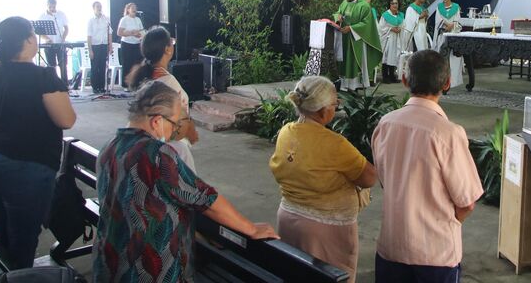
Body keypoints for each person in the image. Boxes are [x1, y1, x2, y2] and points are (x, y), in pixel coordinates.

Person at [93, 81, 277, 282]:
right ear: (156, 121)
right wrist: (251, 228)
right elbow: (205, 199)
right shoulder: (156, 155)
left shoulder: (109, 147)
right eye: (174, 124)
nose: (174, 131)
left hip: (109, 264)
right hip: (148, 271)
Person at [371, 50, 483, 282]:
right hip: (435, 255)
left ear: (404, 80)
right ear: (447, 83)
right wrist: (438, 226)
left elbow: (385, 180)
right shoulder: (448, 134)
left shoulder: (385, 124)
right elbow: (467, 203)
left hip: (391, 247)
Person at [0, 17, 76, 268]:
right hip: (29, 166)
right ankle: (20, 275)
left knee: (1, 228)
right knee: (24, 238)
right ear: (28, 39)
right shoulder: (44, 76)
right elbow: (66, 119)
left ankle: (2, 273)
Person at [269, 76, 377, 281]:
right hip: (325, 228)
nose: (336, 107)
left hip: (289, 218)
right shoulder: (334, 143)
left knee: (295, 274)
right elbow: (369, 178)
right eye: (335, 103)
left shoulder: (286, 132)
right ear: (323, 111)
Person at [127, 26, 198, 172]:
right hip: (163, 148)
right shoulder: (167, 82)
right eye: (171, 42)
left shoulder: (145, 77)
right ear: (167, 50)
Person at [333, 0, 382, 91]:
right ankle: (344, 85)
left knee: (354, 62)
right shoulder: (345, 2)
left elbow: (367, 23)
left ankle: (355, 86)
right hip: (344, 39)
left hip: (357, 39)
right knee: (344, 61)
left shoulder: (364, 5)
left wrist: (351, 28)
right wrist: (338, 17)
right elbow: (337, 12)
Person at [433, 0, 464, 89]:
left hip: (453, 35)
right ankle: (441, 81)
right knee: (442, 59)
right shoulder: (439, 7)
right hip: (443, 34)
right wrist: (447, 25)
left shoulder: (456, 7)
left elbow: (458, 20)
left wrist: (452, 26)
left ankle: (453, 81)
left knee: (453, 59)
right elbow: (438, 20)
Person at [38, 0, 69, 87]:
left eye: (54, 7)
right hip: (49, 44)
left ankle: (65, 85)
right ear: (47, 6)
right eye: (50, 7)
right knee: (51, 66)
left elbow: (66, 28)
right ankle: (53, 85)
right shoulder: (42, 16)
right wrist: (46, 38)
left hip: (60, 43)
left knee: (63, 65)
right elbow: (39, 32)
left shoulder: (61, 14)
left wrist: (63, 38)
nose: (52, 9)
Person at [378, 0, 406, 84]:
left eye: (396, 3)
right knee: (386, 57)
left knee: (394, 56)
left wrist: (400, 29)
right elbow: (381, 28)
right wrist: (391, 29)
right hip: (388, 38)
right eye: (392, 3)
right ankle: (385, 76)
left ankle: (392, 75)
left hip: (397, 38)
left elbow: (404, 25)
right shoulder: (385, 15)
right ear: (389, 5)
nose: (394, 5)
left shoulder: (400, 15)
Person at [117, 2, 144, 90]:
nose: (134, 9)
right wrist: (131, 33)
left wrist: (139, 35)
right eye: (132, 7)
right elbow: (119, 32)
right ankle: (126, 85)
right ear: (128, 10)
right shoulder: (124, 19)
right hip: (126, 44)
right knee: (127, 64)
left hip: (136, 44)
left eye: (135, 7)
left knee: (136, 64)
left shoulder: (138, 20)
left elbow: (141, 31)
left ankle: (135, 83)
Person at [87, 1, 112, 94]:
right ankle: (95, 87)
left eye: (100, 6)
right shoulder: (91, 20)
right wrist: (90, 50)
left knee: (102, 67)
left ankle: (102, 86)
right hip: (95, 46)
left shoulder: (106, 18)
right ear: (93, 8)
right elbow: (89, 36)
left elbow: (110, 32)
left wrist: (110, 46)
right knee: (95, 67)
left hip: (104, 45)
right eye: (97, 7)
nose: (99, 8)